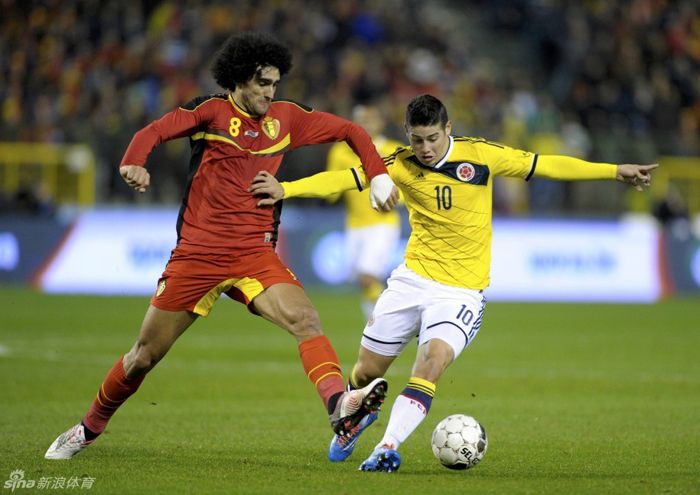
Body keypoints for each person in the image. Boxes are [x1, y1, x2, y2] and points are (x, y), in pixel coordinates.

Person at [249, 94, 658, 472]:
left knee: (431, 361)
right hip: (411, 281)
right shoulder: (402, 162)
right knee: (363, 373)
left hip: (460, 292)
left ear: (448, 129)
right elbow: (344, 179)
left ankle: (387, 448)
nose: (424, 148)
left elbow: (545, 163)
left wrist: (613, 171)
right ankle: (359, 416)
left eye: (431, 138)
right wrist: (286, 188)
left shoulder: (481, 156)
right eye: (416, 139)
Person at [45, 32, 400, 460]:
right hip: (198, 255)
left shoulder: (287, 118)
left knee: (306, 319)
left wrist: (378, 175)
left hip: (254, 252)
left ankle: (338, 405)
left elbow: (352, 131)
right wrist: (133, 162)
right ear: (237, 80)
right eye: (261, 84)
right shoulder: (209, 111)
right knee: (142, 356)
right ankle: (87, 428)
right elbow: (153, 131)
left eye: (274, 83)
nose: (270, 92)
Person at [325, 104, 404, 320]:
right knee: (363, 280)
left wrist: (394, 198)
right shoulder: (340, 151)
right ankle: (375, 325)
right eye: (362, 120)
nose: (367, 124)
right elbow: (332, 187)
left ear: (381, 122)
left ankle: (390, 320)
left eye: (371, 119)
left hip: (383, 224)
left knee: (368, 275)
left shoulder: (394, 150)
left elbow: (407, 188)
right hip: (354, 224)